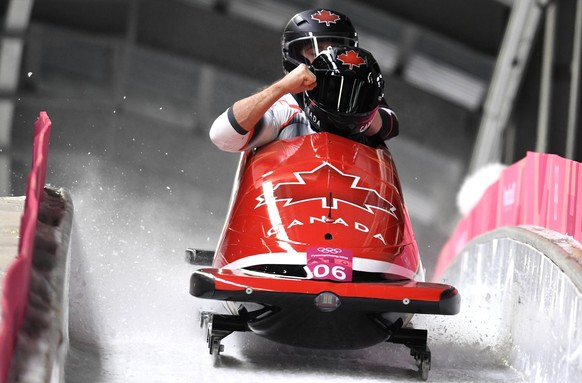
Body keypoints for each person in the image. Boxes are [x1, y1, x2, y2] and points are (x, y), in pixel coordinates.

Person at [209, 9, 398, 152]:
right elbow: (221, 136)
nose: (328, 58)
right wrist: (282, 87)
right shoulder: (284, 108)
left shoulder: (366, 98)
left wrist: (355, 101)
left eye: (337, 50)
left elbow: (389, 126)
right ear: (296, 57)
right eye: (316, 51)